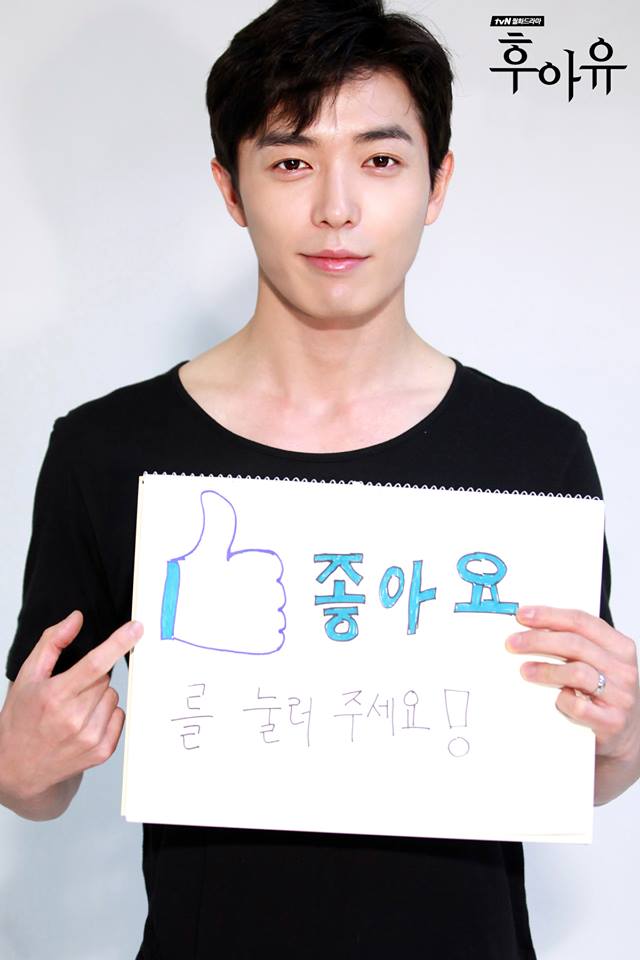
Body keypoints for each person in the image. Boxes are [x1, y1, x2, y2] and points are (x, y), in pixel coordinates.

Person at [1, 1, 639, 957]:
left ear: (436, 182)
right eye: (291, 162)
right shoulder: (108, 449)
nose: (336, 208)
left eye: (379, 160)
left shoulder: (534, 452)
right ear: (231, 187)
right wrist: (17, 765)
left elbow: (569, 767)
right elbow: (40, 782)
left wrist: (623, 735)